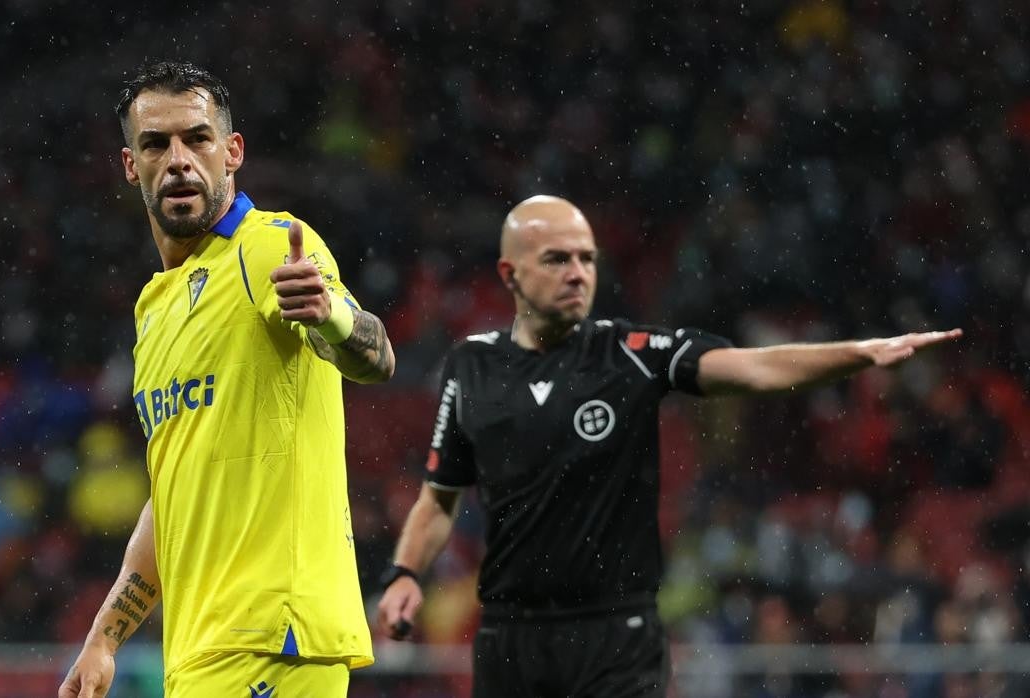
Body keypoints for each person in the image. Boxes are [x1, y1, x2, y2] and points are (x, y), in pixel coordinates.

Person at [376, 194, 961, 698]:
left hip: (616, 635)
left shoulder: (632, 352)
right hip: (511, 637)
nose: (578, 272)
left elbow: (752, 368)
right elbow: (439, 497)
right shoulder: (471, 364)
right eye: (557, 259)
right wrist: (405, 572)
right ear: (510, 274)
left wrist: (859, 353)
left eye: (586, 258)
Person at [59, 61, 395, 698]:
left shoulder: (269, 245)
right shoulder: (153, 309)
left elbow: (374, 358)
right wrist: (105, 636)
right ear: (132, 165)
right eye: (156, 144)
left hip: (274, 636)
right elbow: (174, 488)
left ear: (232, 152)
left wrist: (332, 320)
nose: (179, 159)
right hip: (199, 651)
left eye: (198, 138)